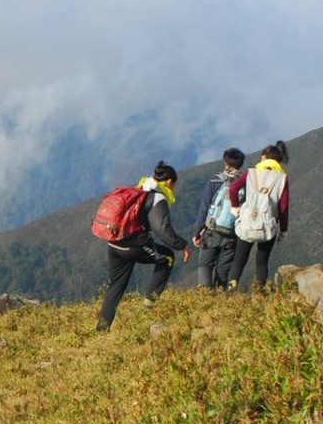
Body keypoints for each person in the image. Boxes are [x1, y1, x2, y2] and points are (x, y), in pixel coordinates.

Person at [96, 161, 191, 331]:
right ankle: (150, 303)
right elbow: (162, 229)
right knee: (167, 257)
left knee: (115, 287)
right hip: (133, 245)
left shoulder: (139, 189)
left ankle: (102, 328)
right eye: (174, 185)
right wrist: (181, 245)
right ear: (169, 182)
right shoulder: (157, 197)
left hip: (114, 243)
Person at [228, 140, 290, 291]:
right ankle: (259, 289)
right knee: (262, 260)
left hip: (247, 221)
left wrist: (235, 207)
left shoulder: (250, 173)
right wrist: (283, 229)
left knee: (239, 258)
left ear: (264, 157)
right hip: (268, 224)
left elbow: (233, 188)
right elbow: (283, 207)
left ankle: (232, 285)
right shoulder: (282, 179)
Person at [190, 148, 245, 289]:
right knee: (223, 268)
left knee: (205, 265)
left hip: (212, 232)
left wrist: (197, 232)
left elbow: (204, 209)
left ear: (225, 162)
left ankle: (205, 297)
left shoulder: (215, 181)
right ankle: (220, 297)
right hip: (232, 234)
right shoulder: (245, 184)